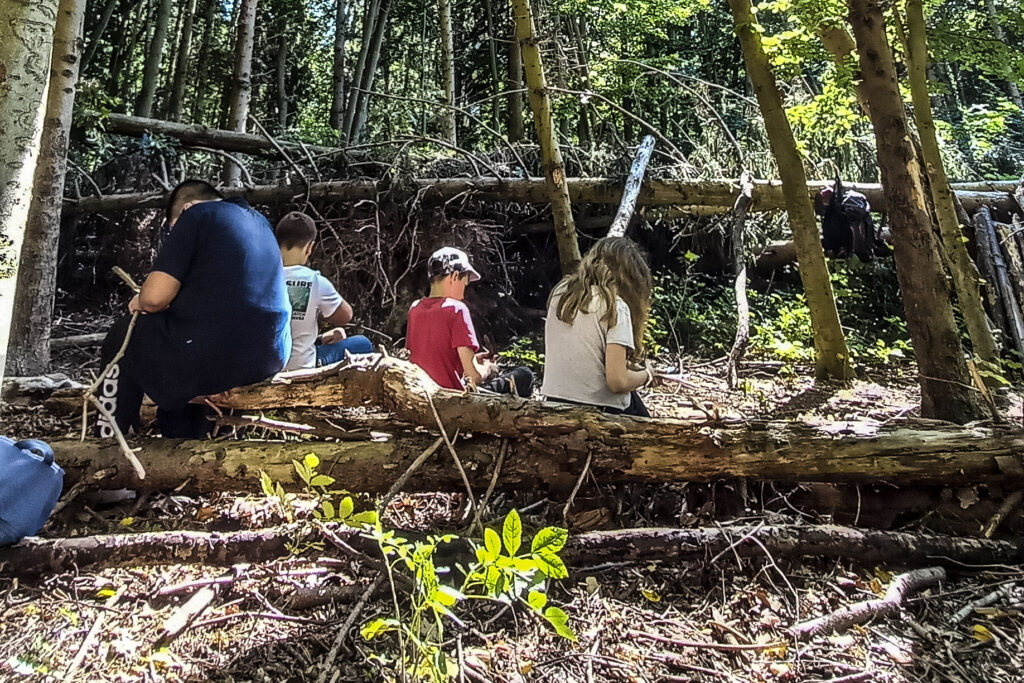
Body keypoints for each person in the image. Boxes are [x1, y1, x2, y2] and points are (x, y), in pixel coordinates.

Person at [96, 179, 292, 439]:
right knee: (188, 337)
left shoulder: (196, 215)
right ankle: (189, 437)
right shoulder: (260, 221)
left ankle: (109, 436)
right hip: (271, 355)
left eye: (173, 230)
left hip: (216, 351)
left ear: (187, 207)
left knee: (122, 334)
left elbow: (154, 298)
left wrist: (139, 301)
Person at [541, 236, 654, 417]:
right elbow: (617, 381)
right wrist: (647, 375)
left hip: (554, 403)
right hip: (600, 412)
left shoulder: (560, 295)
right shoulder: (615, 306)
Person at [406, 247, 533, 397]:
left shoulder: (415, 309)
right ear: (454, 276)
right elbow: (473, 377)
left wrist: (471, 359)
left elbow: (429, 358)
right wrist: (487, 368)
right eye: (465, 284)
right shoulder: (457, 309)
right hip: (453, 401)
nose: (464, 292)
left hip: (423, 396)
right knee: (524, 375)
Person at [275, 211, 373, 371]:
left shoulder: (263, 276)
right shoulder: (314, 281)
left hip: (268, 369)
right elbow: (345, 316)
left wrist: (320, 339)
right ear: (309, 247)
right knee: (362, 343)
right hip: (303, 367)